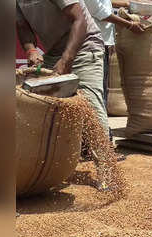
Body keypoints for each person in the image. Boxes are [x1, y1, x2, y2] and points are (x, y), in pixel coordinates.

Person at [16, 0, 110, 137]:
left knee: (89, 104)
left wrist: (66, 60)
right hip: (54, 52)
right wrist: (31, 50)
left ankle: (104, 153)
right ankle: (69, 152)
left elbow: (80, 19)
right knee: (49, 107)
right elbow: (22, 25)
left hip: (84, 46)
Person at [82, 0, 144, 139]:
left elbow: (105, 2)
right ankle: (101, 141)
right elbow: (100, 12)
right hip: (94, 41)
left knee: (101, 91)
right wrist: (129, 25)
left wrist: (129, 5)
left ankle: (96, 139)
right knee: (97, 94)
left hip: (101, 41)